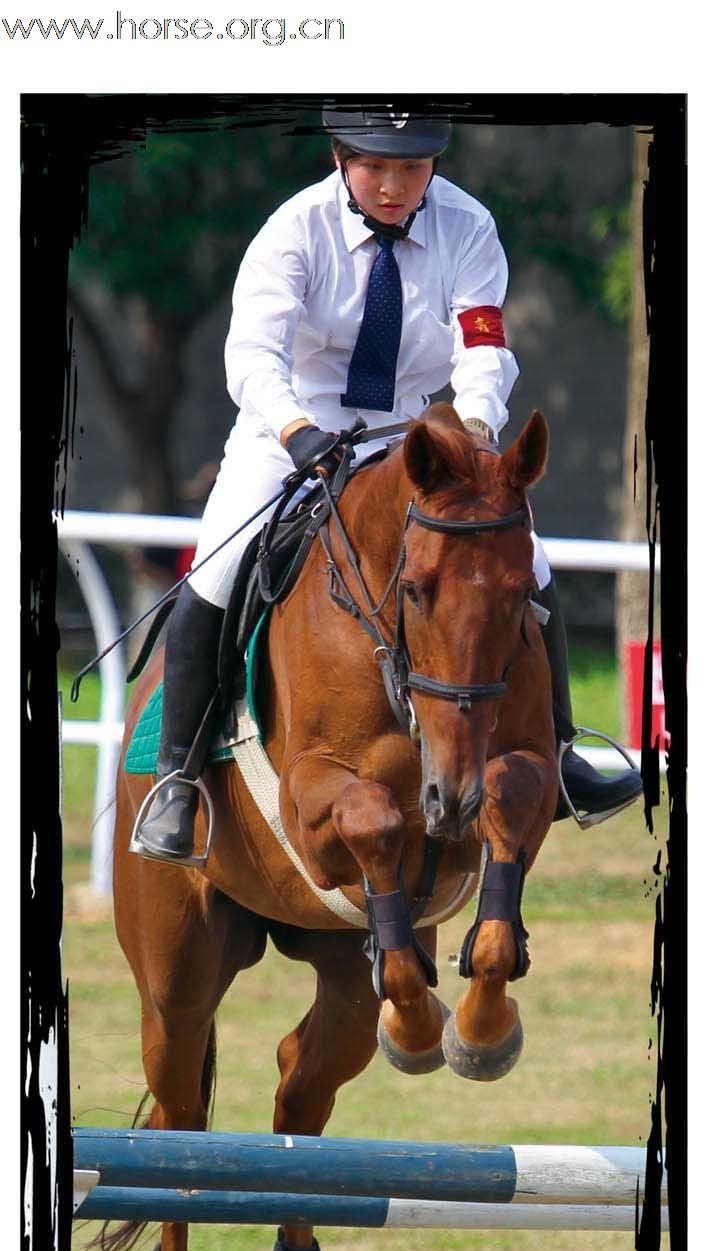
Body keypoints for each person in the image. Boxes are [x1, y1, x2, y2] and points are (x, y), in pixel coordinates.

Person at [132, 106, 642, 864]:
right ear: (339, 157)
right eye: (377, 167)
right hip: (294, 424)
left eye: (412, 167)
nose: (395, 185)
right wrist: (296, 431)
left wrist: (472, 428)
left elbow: (482, 347)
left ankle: (561, 753)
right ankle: (177, 775)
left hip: (421, 431)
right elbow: (253, 356)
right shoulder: (293, 230)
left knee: (524, 558)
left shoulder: (468, 228)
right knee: (219, 562)